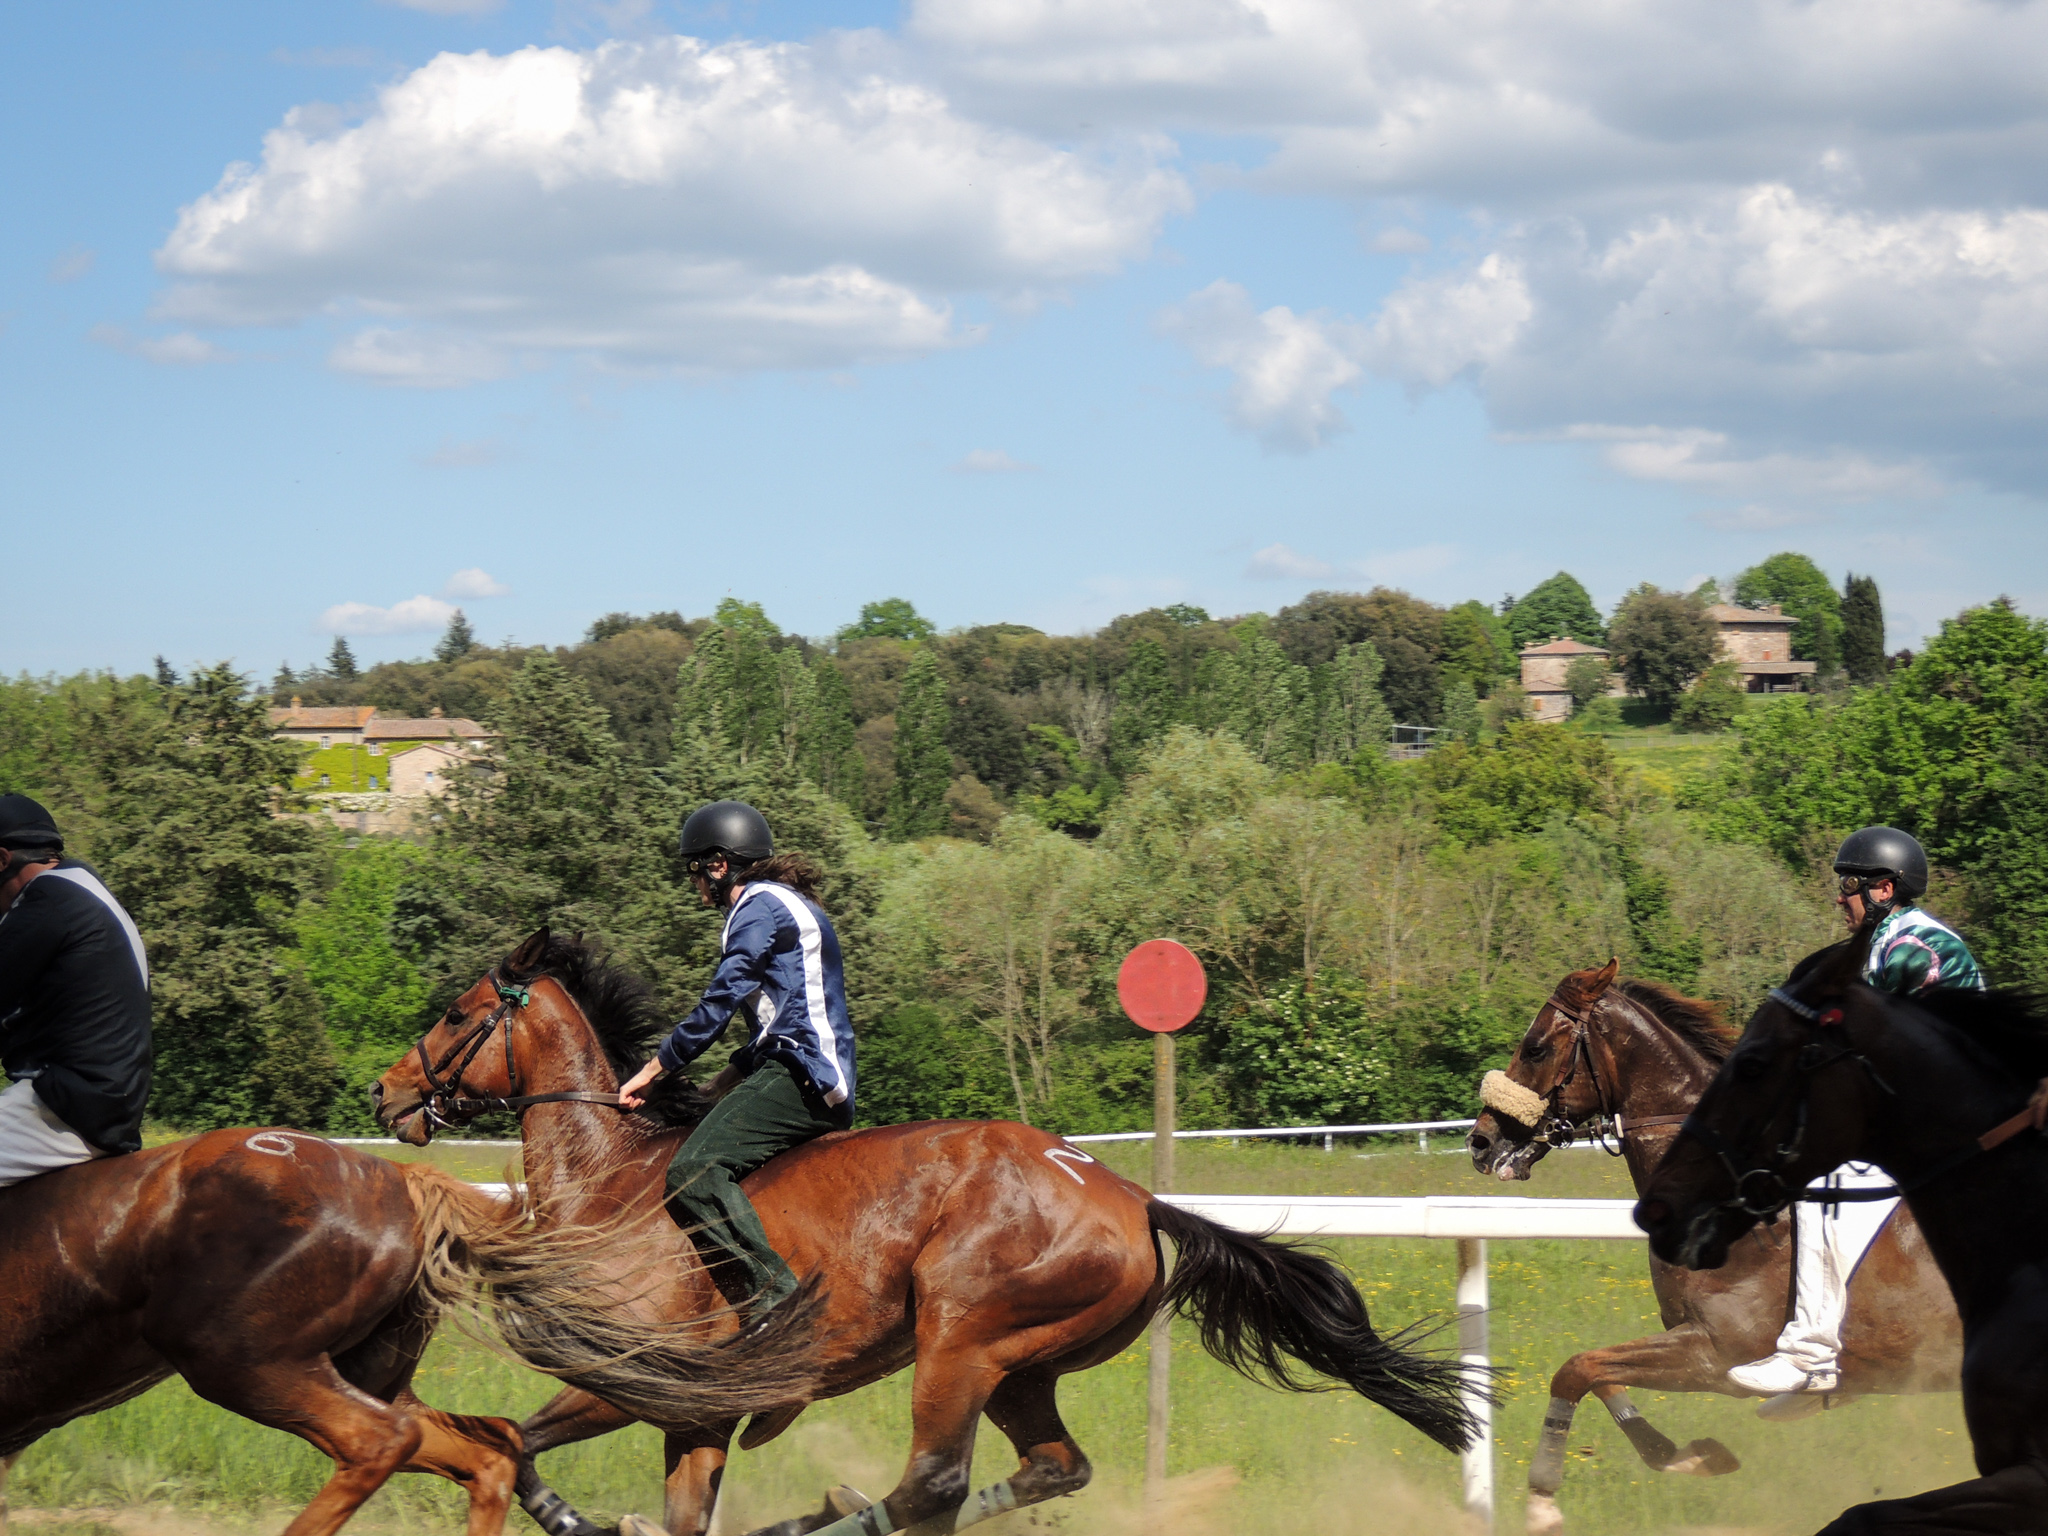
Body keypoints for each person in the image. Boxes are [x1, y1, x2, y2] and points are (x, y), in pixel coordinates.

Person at [1727, 825, 1983, 1406]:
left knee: (1826, 1182)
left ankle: (1810, 1356)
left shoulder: (1911, 948)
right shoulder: (1886, 942)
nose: (1838, 897)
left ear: (1884, 888)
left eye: (1848, 885)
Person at [616, 800, 855, 1327]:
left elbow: (721, 1000)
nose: (694, 883)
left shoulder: (757, 907)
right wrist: (717, 1085)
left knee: (693, 1171)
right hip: (800, 1066)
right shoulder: (779, 903)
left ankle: (779, 1308)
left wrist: (654, 1069)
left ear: (719, 865)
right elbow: (773, 1025)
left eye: (695, 869)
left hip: (804, 1074)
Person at [0, 793, 152, 1186]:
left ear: (1, 860)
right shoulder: (77, 887)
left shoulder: (46, 902)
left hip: (66, 1110)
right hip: (99, 1101)